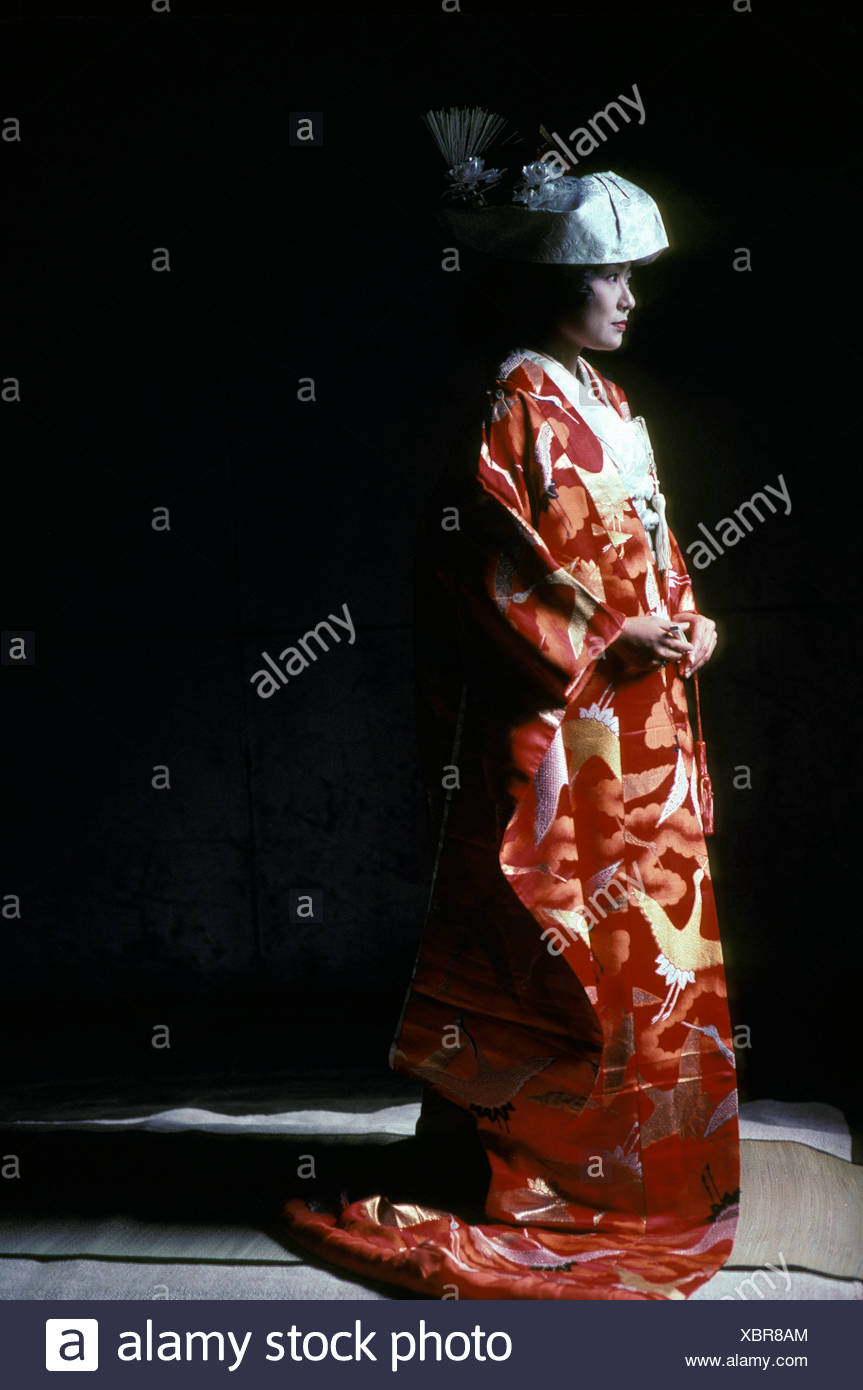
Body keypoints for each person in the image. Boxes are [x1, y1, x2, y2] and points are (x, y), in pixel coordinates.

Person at [282, 110, 740, 1300]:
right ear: (543, 277)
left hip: (640, 716)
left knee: (651, 939)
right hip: (564, 725)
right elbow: (489, 565)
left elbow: (653, 549)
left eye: (633, 271)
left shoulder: (611, 404)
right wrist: (605, 634)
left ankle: (647, 1162)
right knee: (571, 938)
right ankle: (559, 1172)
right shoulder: (516, 403)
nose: (628, 294)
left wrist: (686, 619)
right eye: (605, 271)